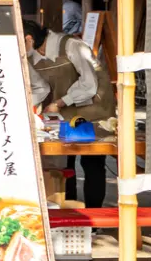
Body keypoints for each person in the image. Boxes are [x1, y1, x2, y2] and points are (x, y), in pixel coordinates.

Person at [25, 17, 111, 206]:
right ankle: (70, 212)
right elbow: (41, 88)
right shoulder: (30, 56)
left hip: (94, 110)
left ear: (29, 39)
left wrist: (61, 102)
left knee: (92, 161)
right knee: (65, 161)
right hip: (64, 112)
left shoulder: (72, 46)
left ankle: (94, 214)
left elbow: (89, 84)